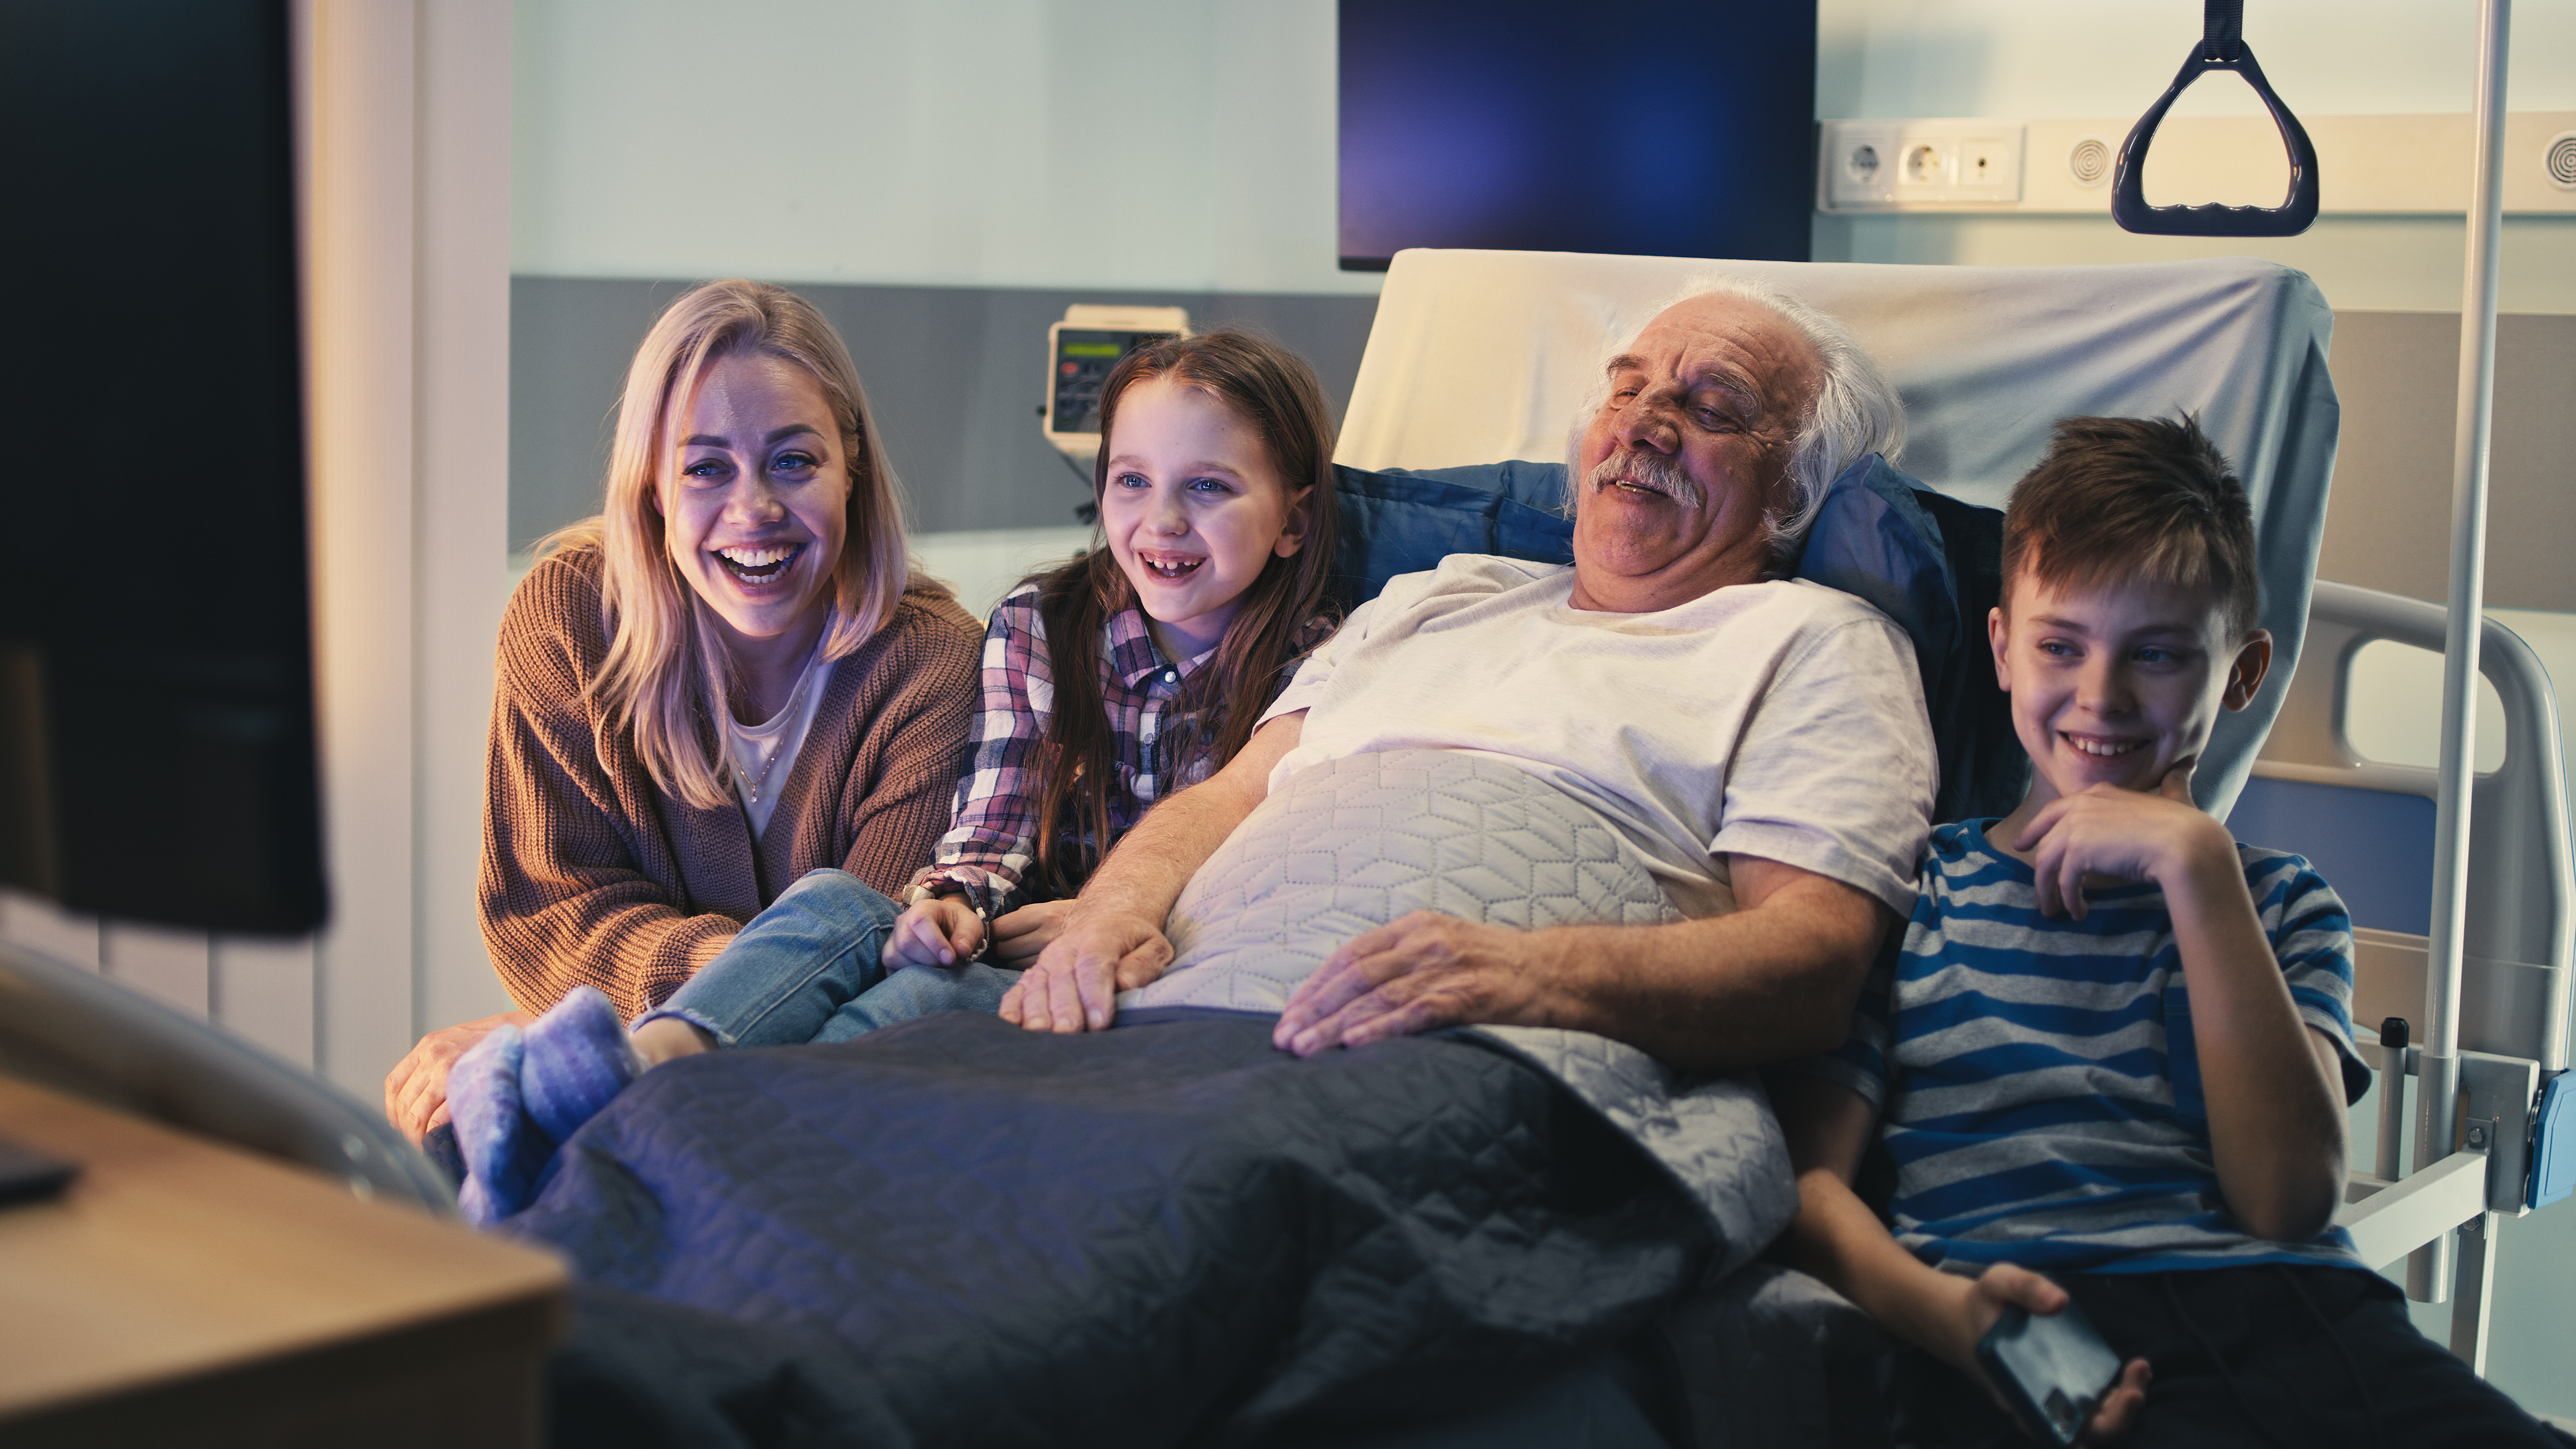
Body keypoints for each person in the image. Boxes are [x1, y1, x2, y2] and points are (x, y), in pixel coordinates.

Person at [1771, 416, 2570, 1446]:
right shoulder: (1917, 893)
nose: (2099, 697)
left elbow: (2287, 1200)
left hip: (2298, 1321)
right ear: (2004, 648)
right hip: (2033, 1331)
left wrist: (2197, 869)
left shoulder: (2277, 904)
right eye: (2061, 645)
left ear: (2240, 675)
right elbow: (1806, 1190)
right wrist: (1946, 1322)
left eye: (2155, 655)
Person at [443, 329, 1342, 1220]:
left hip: (1100, 970)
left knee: (908, 988)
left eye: (1211, 488)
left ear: (1296, 518)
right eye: (1133, 482)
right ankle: (651, 1064)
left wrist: (1116, 918)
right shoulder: (1044, 625)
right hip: (1002, 934)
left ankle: (660, 1118)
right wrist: (948, 904)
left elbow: (1289, 862)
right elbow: (989, 827)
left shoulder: (1334, 664)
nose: (1165, 521)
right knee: (850, 910)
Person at [1002, 274, 1937, 1073]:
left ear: (1793, 491)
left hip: (1478, 1043)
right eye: (1624, 392)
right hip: (1196, 993)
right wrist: (1109, 914)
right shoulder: (1439, 595)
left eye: (1710, 409)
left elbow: (1815, 963)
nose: (1644, 427)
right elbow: (1232, 796)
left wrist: (1529, 974)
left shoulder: (1816, 641)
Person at [380, 279, 982, 1145]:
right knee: (447, 1132)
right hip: (681, 1055)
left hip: (836, 1095)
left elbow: (881, 960)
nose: (755, 511)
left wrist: (552, 1030)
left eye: (793, 460)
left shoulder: (932, 662)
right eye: (705, 468)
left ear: (851, 466)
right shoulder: (568, 619)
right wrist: (709, 987)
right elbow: (549, 911)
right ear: (654, 486)